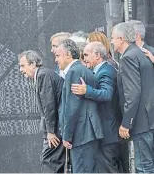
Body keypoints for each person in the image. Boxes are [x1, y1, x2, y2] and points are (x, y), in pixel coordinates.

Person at [71, 41, 122, 172]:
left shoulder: (106, 71)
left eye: (86, 55)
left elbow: (106, 94)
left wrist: (86, 90)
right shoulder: (101, 70)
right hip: (105, 131)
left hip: (108, 131)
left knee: (108, 167)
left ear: (97, 55)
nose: (84, 59)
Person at [54, 39, 103, 173]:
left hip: (82, 135)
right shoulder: (80, 70)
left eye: (58, 55)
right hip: (86, 133)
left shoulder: (74, 72)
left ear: (68, 54)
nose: (55, 60)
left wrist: (66, 136)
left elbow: (72, 108)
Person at [111, 22, 154, 173]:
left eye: (113, 38)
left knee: (144, 167)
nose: (111, 41)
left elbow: (133, 93)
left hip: (141, 123)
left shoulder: (128, 57)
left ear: (121, 38)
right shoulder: (143, 54)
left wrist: (126, 123)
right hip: (148, 120)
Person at [18, 50, 65, 173]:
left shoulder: (43, 75)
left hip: (56, 131)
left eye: (23, 66)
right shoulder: (43, 75)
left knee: (49, 162)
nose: (21, 70)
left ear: (33, 64)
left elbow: (49, 105)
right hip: (57, 129)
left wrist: (50, 132)